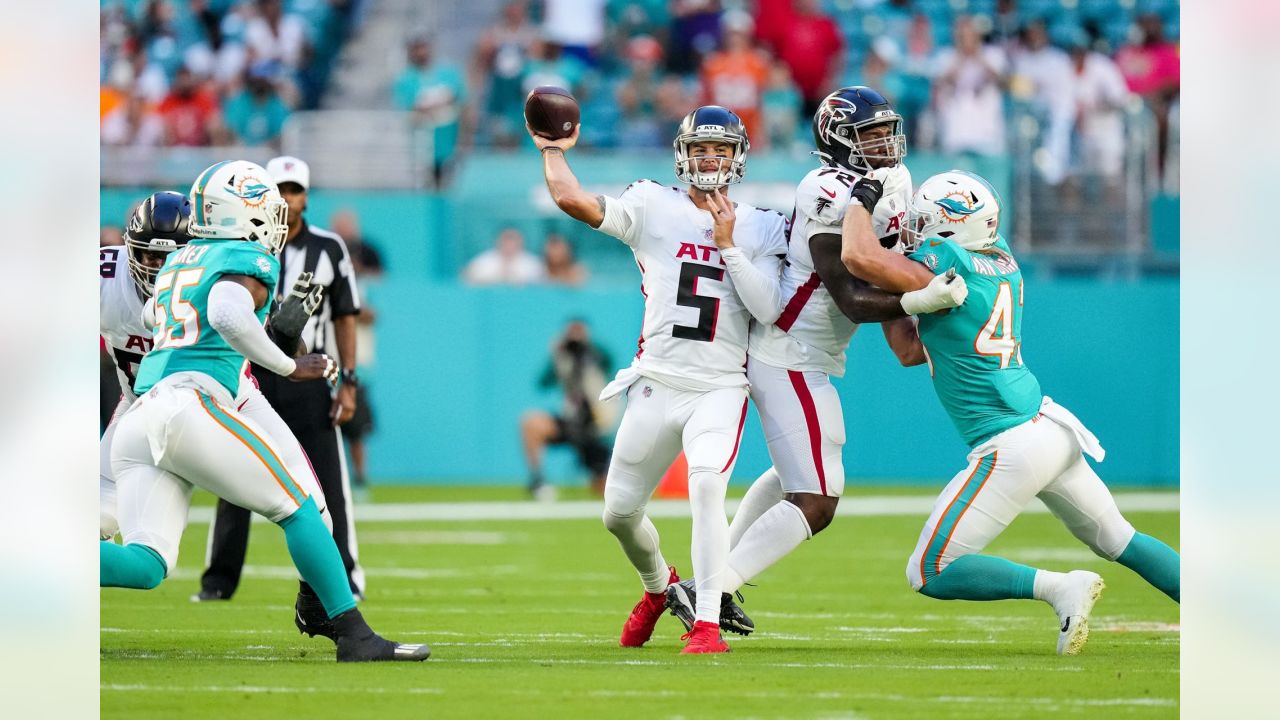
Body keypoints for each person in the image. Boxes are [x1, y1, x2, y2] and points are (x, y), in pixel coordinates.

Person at [663, 87, 967, 637]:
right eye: (869, 134)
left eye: (885, 131)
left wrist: (935, 327)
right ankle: (713, 587)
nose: (883, 142)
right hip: (789, 350)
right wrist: (924, 298)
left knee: (793, 475)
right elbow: (850, 294)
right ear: (837, 138)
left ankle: (712, 580)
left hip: (812, 352)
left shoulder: (893, 182)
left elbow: (891, 301)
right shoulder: (824, 187)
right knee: (819, 500)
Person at [839, 169, 1180, 654]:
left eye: (924, 221)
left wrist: (862, 198)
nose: (914, 231)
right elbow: (911, 351)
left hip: (1011, 444)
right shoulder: (1002, 260)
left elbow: (857, 256)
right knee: (1119, 539)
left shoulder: (947, 257)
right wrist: (904, 301)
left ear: (951, 225)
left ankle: (1059, 587)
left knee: (928, 570)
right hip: (1048, 427)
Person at [102, 160, 429, 662]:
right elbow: (225, 313)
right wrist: (289, 363)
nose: (276, 220)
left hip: (141, 416)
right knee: (296, 506)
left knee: (146, 565)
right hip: (191, 404)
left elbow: (155, 314)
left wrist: (268, 333)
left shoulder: (181, 263)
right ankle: (352, 632)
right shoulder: (245, 256)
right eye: (267, 209)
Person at [530, 106, 788, 653]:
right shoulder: (653, 204)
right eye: (700, 149)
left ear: (738, 156)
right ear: (682, 155)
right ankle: (659, 588)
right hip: (656, 381)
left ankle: (707, 624)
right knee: (619, 514)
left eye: (720, 150)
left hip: (719, 387)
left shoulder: (763, 226)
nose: (709, 159)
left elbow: (768, 310)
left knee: (706, 486)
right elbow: (572, 200)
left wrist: (730, 245)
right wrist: (552, 150)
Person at [99, 188, 345, 639]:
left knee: (313, 506)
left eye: (165, 257)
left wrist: (285, 339)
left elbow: (247, 325)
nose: (154, 267)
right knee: (100, 521)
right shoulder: (105, 276)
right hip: (142, 404)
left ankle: (317, 606)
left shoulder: (210, 265)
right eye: (146, 257)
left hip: (232, 394)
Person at [196, 156, 366, 603]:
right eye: (280, 191)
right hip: (253, 375)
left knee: (328, 479)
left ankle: (344, 576)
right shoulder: (244, 244)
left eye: (295, 190)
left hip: (308, 378)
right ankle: (219, 579)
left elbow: (347, 316)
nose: (288, 199)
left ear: (306, 196)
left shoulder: (328, 248)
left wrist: (349, 380)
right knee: (234, 476)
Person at [520, 319, 614, 497]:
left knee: (605, 491)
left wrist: (588, 350)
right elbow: (543, 383)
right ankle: (537, 479)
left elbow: (608, 366)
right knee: (531, 422)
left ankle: (598, 474)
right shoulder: (562, 357)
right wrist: (557, 355)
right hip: (570, 421)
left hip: (595, 426)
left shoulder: (597, 354)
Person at [462, 227, 546, 285]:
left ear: (521, 241)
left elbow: (541, 284)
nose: (509, 244)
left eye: (513, 239)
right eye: (506, 239)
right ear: (498, 241)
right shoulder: (483, 261)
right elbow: (467, 280)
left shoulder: (532, 263)